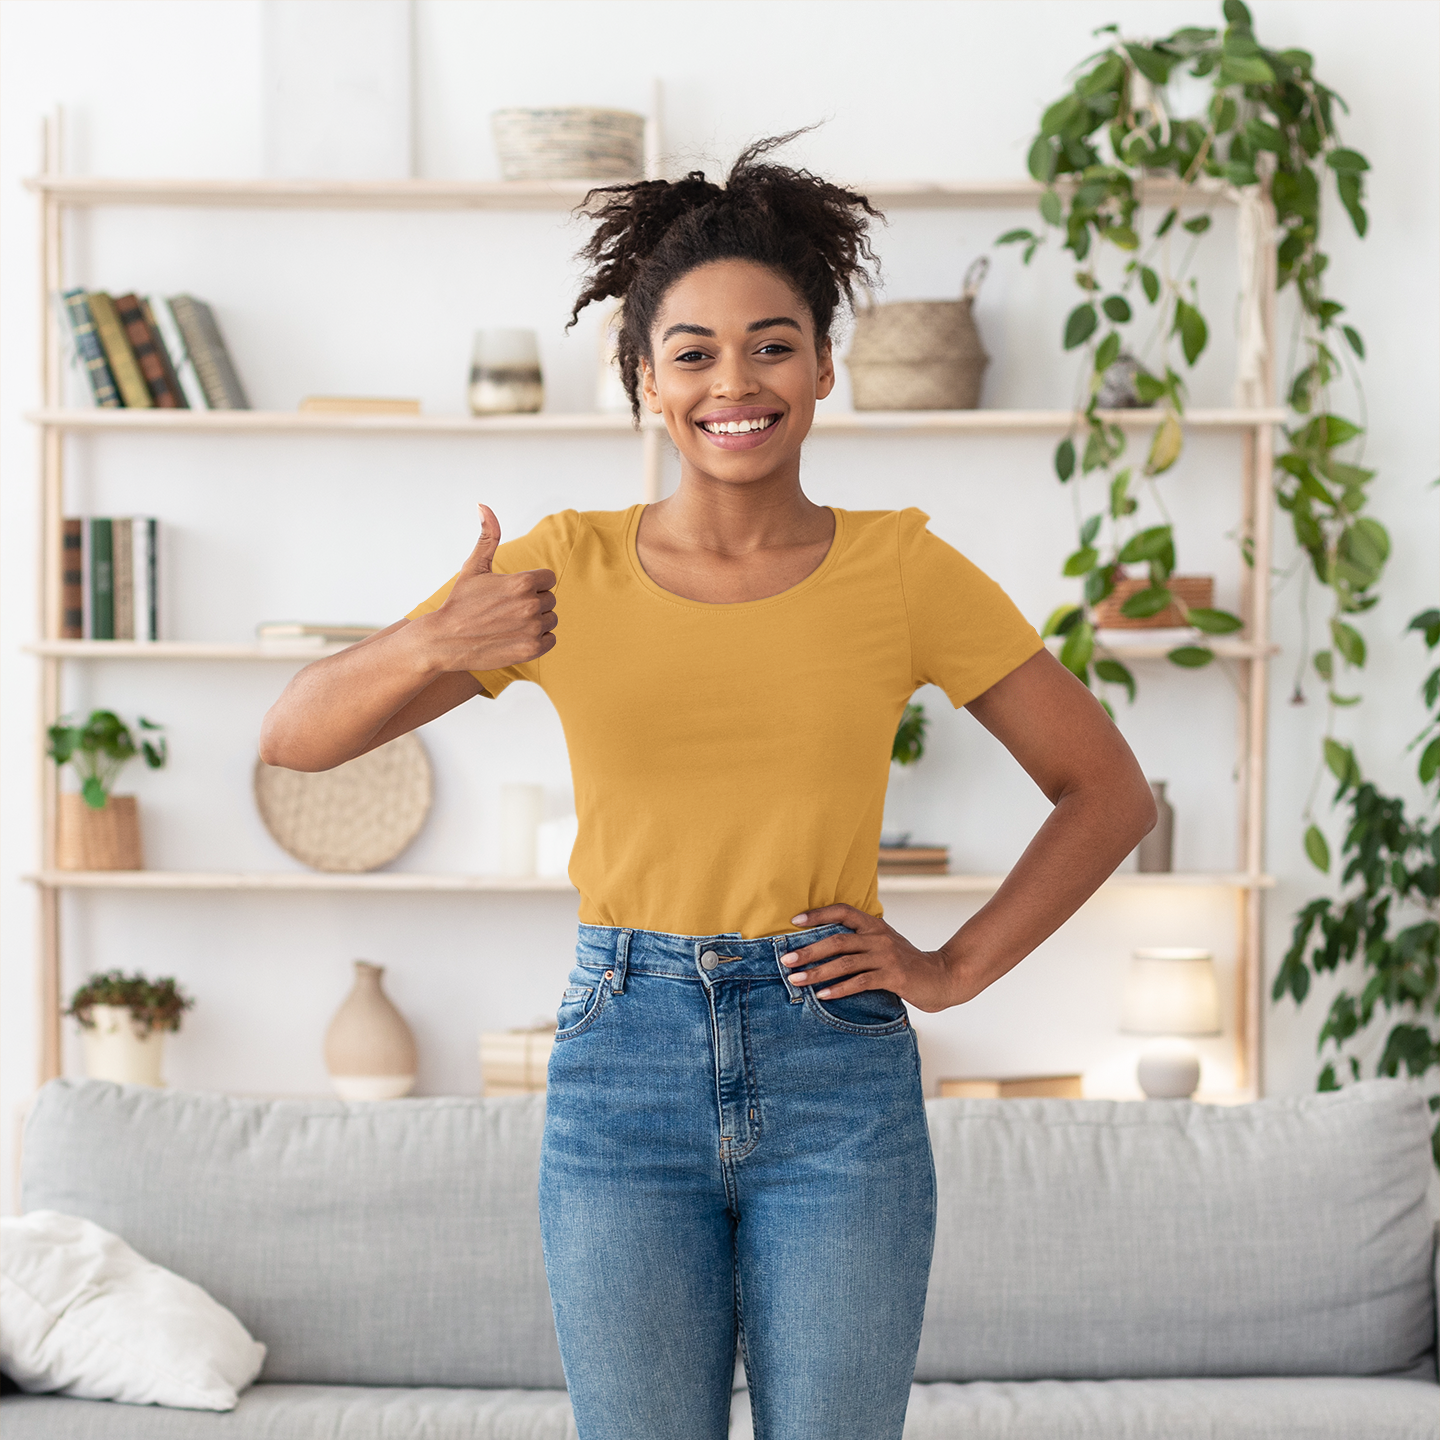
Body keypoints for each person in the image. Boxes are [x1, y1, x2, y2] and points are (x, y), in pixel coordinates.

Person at [259, 135, 1156, 1440]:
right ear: (641, 381)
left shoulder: (903, 571)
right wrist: (431, 641)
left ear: (825, 364)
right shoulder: (566, 571)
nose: (735, 381)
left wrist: (953, 969)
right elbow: (294, 738)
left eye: (774, 343)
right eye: (692, 353)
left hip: (833, 1069)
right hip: (623, 1060)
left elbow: (1106, 790)